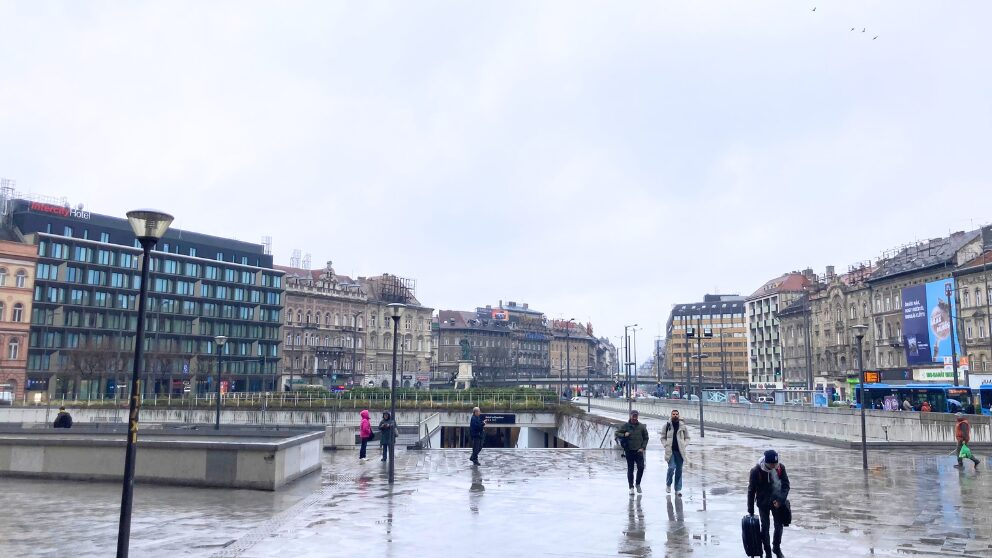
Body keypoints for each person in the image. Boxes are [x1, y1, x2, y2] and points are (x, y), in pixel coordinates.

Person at [748, 449, 790, 558]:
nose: (774, 466)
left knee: (779, 526)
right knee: (765, 527)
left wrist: (780, 500)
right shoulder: (756, 471)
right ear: (766, 463)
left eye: (776, 463)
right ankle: (768, 552)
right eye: (772, 464)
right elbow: (751, 491)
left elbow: (786, 485)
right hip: (763, 503)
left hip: (777, 502)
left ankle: (776, 547)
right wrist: (751, 510)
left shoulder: (780, 468)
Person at [615, 409, 649, 494]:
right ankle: (631, 487)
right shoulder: (625, 426)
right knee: (630, 469)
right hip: (629, 450)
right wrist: (624, 434)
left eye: (636, 416)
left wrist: (643, 448)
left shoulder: (641, 427)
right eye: (633, 416)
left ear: (637, 416)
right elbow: (616, 433)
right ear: (630, 416)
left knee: (641, 467)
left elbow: (646, 438)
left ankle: (637, 484)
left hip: (639, 451)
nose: (634, 417)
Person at [661, 409, 689, 496]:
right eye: (673, 414)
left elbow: (687, 437)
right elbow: (662, 437)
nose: (675, 415)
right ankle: (668, 484)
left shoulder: (683, 426)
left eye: (677, 414)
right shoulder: (667, 425)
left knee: (679, 470)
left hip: (680, 451)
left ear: (679, 415)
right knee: (671, 467)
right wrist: (665, 444)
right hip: (670, 451)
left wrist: (684, 444)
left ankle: (678, 489)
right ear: (671, 415)